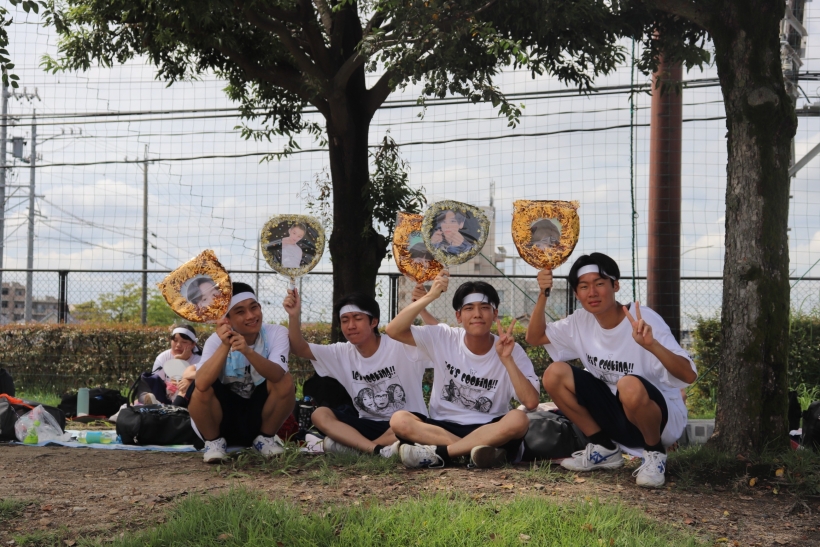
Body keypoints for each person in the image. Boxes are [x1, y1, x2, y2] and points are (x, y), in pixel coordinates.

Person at [525, 252, 697, 488]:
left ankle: (655, 454)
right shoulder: (581, 321)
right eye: (584, 286)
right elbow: (534, 337)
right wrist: (543, 293)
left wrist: (652, 345)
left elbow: (688, 375)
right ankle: (604, 448)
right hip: (614, 415)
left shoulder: (643, 318)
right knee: (554, 373)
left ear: (615, 285)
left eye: (599, 284)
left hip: (659, 419)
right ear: (576, 294)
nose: (592, 292)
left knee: (628, 384)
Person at [385, 272, 540, 469]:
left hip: (491, 428)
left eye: (484, 307)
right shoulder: (444, 337)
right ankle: (476, 452)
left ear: (495, 314)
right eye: (469, 308)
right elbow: (393, 330)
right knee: (399, 420)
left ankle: (443, 454)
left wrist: (507, 359)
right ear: (458, 316)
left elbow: (531, 402)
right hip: (443, 426)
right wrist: (430, 296)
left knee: (518, 419)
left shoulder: (512, 349)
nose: (477, 314)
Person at [284, 288, 433, 458]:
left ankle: (358, 447)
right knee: (320, 414)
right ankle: (376, 450)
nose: (351, 326)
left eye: (357, 318)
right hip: (367, 425)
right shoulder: (341, 353)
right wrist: (293, 315)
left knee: (407, 426)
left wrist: (423, 306)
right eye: (345, 320)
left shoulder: (401, 345)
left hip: (407, 423)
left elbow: (439, 339)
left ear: (373, 322)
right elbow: (299, 348)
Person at [189, 282, 295, 463]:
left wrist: (247, 351)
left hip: (257, 420)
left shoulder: (276, 333)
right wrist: (225, 344)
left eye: (254, 308)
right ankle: (214, 443)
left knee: (285, 380)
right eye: (240, 312)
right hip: (222, 421)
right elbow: (201, 384)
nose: (251, 316)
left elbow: (278, 375)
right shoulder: (215, 340)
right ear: (227, 319)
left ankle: (265, 439)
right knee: (200, 388)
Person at [151, 324, 200, 407]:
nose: (178, 345)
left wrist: (190, 382)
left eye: (184, 342)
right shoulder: (163, 357)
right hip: (164, 399)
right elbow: (156, 383)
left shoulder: (199, 359)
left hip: (190, 402)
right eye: (175, 340)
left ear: (193, 344)